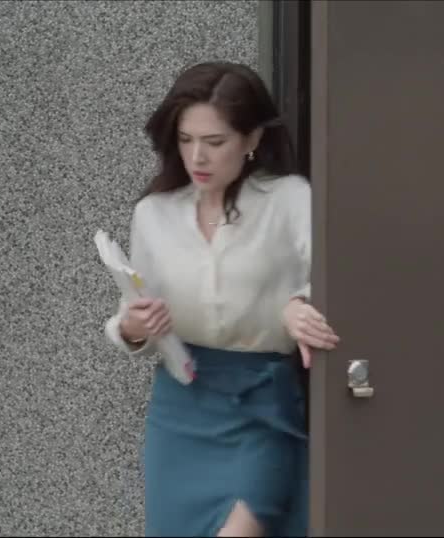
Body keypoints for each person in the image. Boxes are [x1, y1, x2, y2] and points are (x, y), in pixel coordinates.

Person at [102, 61, 341, 537]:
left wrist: (298, 304)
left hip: (263, 404)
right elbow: (132, 312)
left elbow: (338, 278)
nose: (198, 157)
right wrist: (133, 328)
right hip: (182, 406)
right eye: (186, 140)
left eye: (214, 142)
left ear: (251, 139)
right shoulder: (153, 214)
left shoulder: (290, 200)